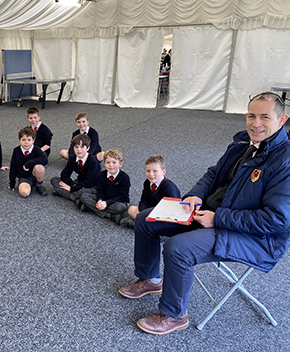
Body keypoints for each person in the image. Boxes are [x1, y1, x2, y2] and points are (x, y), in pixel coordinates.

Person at [117, 92, 290, 335]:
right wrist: (195, 195)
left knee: (178, 248)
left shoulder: (285, 160)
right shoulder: (243, 142)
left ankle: (174, 315)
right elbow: (213, 173)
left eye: (264, 117)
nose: (256, 123)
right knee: (146, 219)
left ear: (282, 120)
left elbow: (276, 220)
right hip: (211, 213)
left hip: (254, 236)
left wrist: (217, 218)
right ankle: (151, 280)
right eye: (251, 116)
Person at [119, 155, 180, 228]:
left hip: (165, 215)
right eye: (148, 171)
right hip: (150, 211)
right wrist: (143, 213)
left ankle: (137, 225)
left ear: (163, 172)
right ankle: (144, 225)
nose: (151, 174)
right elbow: (143, 200)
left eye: (155, 171)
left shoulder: (169, 187)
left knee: (163, 224)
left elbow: (170, 210)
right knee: (131, 209)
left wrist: (151, 216)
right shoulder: (147, 183)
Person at [79, 148, 130, 222]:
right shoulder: (102, 174)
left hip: (117, 201)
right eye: (108, 162)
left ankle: (91, 208)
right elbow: (100, 190)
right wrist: (100, 200)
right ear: (104, 163)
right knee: (84, 196)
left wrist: (106, 203)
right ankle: (109, 215)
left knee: (120, 208)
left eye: (114, 162)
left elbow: (123, 197)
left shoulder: (124, 178)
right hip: (104, 198)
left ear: (120, 164)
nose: (111, 165)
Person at [51, 133, 100, 206]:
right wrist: (73, 185)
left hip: (92, 186)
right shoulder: (73, 159)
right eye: (76, 147)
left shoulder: (93, 162)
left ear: (88, 148)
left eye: (82, 147)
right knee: (54, 180)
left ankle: (63, 192)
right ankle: (74, 198)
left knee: (83, 192)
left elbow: (89, 182)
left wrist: (72, 189)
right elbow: (64, 175)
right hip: (79, 183)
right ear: (73, 148)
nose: (79, 149)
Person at [9, 127, 48, 197]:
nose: (26, 142)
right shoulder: (16, 151)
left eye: (29, 140)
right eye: (23, 140)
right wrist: (12, 183)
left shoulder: (36, 149)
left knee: (39, 167)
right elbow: (13, 167)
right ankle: (29, 184)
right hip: (24, 177)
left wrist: (29, 163)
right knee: (24, 193)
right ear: (19, 140)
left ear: (33, 140)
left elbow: (45, 160)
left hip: (35, 174)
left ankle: (39, 185)